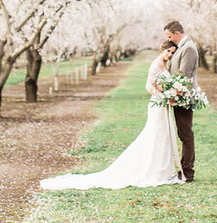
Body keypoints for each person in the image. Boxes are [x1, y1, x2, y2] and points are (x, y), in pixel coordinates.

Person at [39, 41, 184, 190]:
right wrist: (164, 96)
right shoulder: (156, 64)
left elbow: (160, 84)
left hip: (163, 105)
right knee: (156, 136)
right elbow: (148, 86)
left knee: (163, 136)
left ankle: (162, 170)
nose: (170, 55)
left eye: (173, 52)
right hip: (157, 105)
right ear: (162, 49)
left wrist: (170, 95)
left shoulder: (164, 65)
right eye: (168, 51)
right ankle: (154, 172)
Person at [164, 20, 199, 183]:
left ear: (177, 33)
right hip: (177, 95)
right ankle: (183, 167)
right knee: (182, 132)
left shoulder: (189, 48)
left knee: (186, 133)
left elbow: (183, 75)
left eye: (170, 36)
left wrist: (171, 89)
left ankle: (187, 170)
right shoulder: (182, 47)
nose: (170, 40)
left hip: (183, 96)